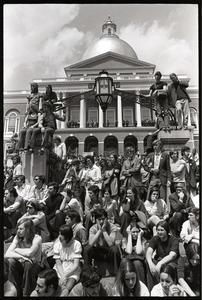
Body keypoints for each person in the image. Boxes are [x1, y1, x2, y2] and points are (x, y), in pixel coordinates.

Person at [4, 219, 42, 297]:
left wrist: (16, 250)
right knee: (11, 261)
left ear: (28, 229)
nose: (18, 231)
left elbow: (30, 252)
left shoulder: (37, 238)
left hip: (35, 265)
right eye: (18, 228)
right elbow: (7, 254)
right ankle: (16, 291)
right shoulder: (17, 238)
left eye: (21, 229)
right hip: (22, 263)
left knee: (28, 264)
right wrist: (22, 257)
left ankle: (26, 294)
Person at [83, 208, 121, 276]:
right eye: (99, 219)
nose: (101, 221)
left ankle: (117, 274)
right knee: (86, 249)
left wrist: (103, 230)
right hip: (98, 252)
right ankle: (87, 273)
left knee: (115, 249)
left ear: (107, 219)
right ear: (95, 220)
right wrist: (99, 231)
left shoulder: (112, 227)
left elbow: (111, 243)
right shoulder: (92, 228)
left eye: (103, 219)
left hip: (108, 252)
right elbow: (91, 244)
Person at [146, 220, 179, 291]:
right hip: (158, 260)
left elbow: (172, 256)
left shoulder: (174, 240)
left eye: (162, 230)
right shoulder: (155, 238)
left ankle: (170, 290)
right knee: (149, 264)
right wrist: (150, 263)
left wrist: (160, 263)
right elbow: (149, 252)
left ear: (167, 230)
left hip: (170, 262)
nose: (159, 232)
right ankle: (152, 289)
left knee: (170, 266)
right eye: (158, 230)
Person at [52, 225, 82, 295]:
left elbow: (76, 265)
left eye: (62, 234)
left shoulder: (77, 244)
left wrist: (66, 275)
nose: (59, 236)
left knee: (68, 287)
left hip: (73, 270)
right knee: (59, 286)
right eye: (59, 233)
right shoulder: (57, 245)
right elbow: (58, 264)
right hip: (60, 269)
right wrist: (63, 276)